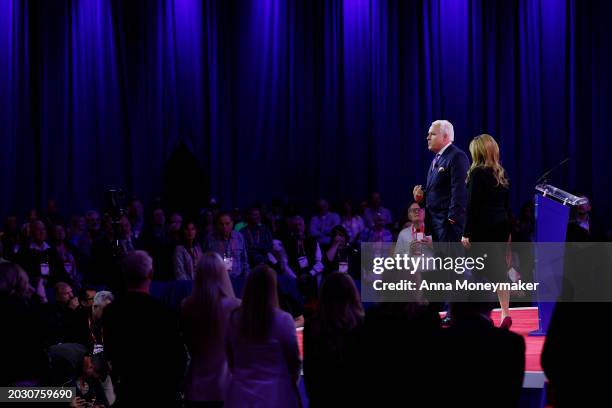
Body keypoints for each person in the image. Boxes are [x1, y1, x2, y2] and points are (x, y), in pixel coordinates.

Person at [102, 251, 186, 407]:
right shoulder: (164, 313)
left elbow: (110, 353)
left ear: (124, 274)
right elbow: (177, 358)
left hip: (127, 392)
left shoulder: (110, 313)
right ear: (151, 273)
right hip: (161, 394)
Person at [413, 120, 469, 323]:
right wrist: (422, 197)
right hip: (437, 226)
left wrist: (452, 221)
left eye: (432, 134)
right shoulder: (437, 159)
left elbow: (459, 192)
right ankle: (449, 311)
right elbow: (439, 193)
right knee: (444, 272)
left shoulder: (457, 157)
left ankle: (458, 315)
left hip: (449, 226)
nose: (427, 137)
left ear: (446, 137)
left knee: (454, 271)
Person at [225, 265, 301, 408]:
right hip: (276, 396)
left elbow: (230, 360)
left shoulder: (234, 318)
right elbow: (294, 363)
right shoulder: (283, 319)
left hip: (239, 397)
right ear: (273, 288)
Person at [461, 134, 513, 329]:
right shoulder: (501, 173)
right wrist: (509, 234)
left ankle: (483, 314)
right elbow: (508, 207)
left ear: (478, 151)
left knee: (480, 272)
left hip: (483, 228)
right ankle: (505, 313)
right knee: (499, 270)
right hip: (501, 225)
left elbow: (472, 206)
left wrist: (466, 233)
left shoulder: (476, 173)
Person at [432, 302, 525, 407]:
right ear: (490, 306)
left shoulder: (436, 341)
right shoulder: (512, 342)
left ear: (454, 307)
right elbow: (512, 396)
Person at [180, 252, 240, 407]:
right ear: (222, 272)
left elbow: (188, 344)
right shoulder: (235, 306)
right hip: (225, 387)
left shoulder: (187, 306)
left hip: (195, 387)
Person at [303, 272, 365, 407]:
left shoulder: (312, 326)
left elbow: (309, 373)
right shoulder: (363, 324)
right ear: (353, 294)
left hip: (322, 399)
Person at [203, 213, 250, 280]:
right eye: (221, 224)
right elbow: (206, 262)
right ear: (217, 225)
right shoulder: (210, 239)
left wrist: (245, 278)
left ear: (232, 223)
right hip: (217, 279)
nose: (224, 227)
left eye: (227, 224)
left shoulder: (238, 237)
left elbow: (244, 259)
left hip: (238, 278)